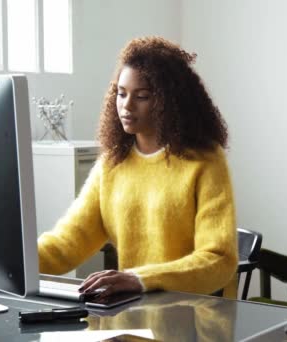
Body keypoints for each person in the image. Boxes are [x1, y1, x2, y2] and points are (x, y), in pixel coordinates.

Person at [37, 36, 238, 299]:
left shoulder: (205, 160)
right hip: (133, 317)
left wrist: (140, 279)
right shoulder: (112, 163)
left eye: (141, 96)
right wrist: (10, 262)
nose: (126, 106)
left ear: (170, 100)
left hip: (196, 320)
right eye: (121, 94)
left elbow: (219, 261)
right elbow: (66, 245)